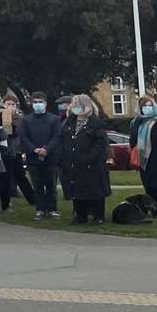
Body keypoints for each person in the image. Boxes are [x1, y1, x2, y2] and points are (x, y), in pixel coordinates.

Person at [59, 94, 109, 224]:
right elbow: (63, 140)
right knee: (77, 190)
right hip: (73, 164)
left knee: (95, 191)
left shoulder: (95, 123)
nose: (74, 107)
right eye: (73, 104)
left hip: (91, 165)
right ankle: (80, 215)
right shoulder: (69, 122)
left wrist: (89, 158)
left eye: (78, 105)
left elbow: (100, 144)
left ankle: (98, 216)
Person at [17, 91, 62, 220]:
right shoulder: (26, 120)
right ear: (31, 104)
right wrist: (34, 149)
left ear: (46, 104)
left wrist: (47, 149)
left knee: (51, 185)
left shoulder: (54, 119)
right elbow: (24, 137)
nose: (38, 104)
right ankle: (40, 209)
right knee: (37, 186)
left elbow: (56, 136)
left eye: (40, 102)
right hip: (33, 158)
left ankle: (52, 209)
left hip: (51, 158)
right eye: (35, 102)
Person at [131, 95, 157, 217]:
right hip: (144, 160)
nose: (147, 108)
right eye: (144, 106)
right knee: (149, 187)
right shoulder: (137, 121)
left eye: (150, 105)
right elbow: (132, 141)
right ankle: (154, 210)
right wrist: (136, 125)